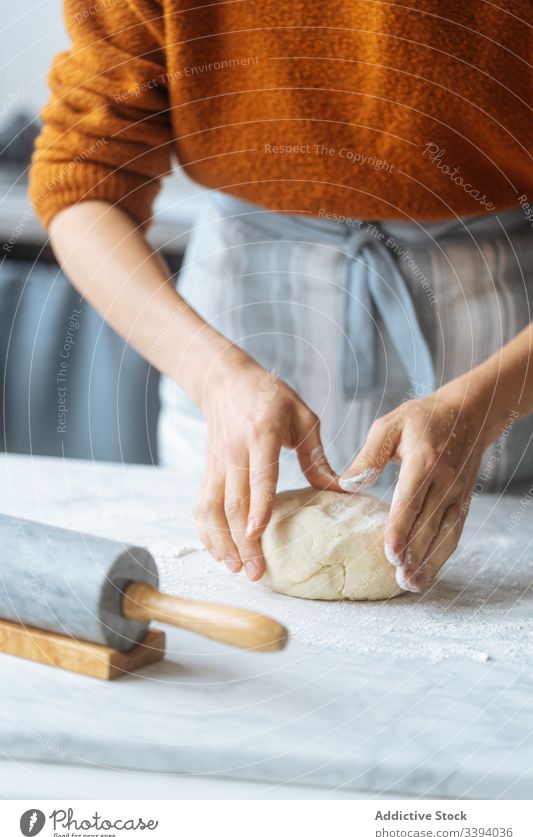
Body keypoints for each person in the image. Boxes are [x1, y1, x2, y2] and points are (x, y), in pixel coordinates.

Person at [29, 1, 533, 593]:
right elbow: (82, 176)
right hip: (240, 314)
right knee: (226, 582)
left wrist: (491, 399)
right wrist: (215, 375)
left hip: (496, 332)